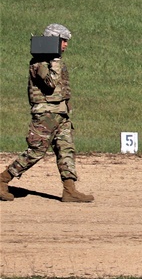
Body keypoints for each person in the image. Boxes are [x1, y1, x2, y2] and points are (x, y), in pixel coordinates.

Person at [0, 24, 94, 202]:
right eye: (63, 41)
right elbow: (50, 83)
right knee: (36, 151)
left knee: (66, 150)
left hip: (61, 114)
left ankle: (69, 190)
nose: (65, 45)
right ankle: (3, 179)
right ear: (53, 41)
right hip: (46, 115)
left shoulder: (52, 61)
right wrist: (56, 61)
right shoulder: (39, 63)